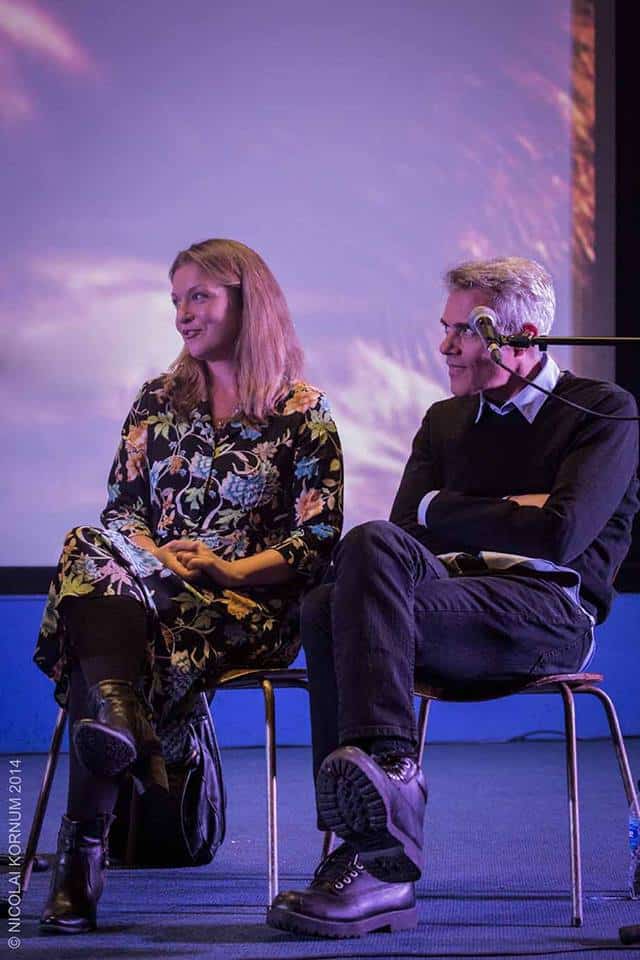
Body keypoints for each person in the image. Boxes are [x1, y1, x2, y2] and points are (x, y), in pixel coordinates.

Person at [267, 256, 639, 938]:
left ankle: (373, 854)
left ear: (520, 334)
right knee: (366, 550)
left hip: (543, 612)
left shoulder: (603, 412)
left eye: (463, 331)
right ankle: (387, 795)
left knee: (331, 607)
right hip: (447, 600)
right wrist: (505, 508)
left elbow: (561, 535)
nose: (444, 347)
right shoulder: (444, 421)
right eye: (445, 329)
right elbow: (409, 527)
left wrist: (451, 506)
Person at [34, 238, 343, 934]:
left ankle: (83, 851)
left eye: (198, 296)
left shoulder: (303, 411)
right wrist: (158, 557)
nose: (181, 314)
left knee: (104, 643)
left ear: (246, 300)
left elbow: (317, 540)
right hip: (154, 592)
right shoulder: (158, 401)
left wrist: (225, 568)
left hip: (247, 608)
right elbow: (122, 514)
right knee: (87, 545)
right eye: (176, 299)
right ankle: (116, 720)